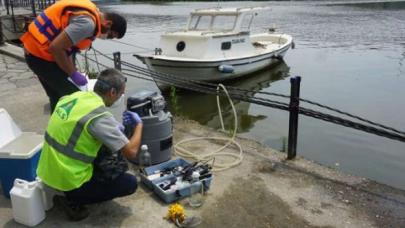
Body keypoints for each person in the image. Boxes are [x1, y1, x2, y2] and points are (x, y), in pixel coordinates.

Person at [36, 68, 142, 221]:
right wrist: (139, 126)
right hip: (68, 182)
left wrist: (113, 129)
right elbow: (131, 152)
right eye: (121, 93)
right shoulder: (98, 116)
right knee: (130, 183)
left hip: (47, 170)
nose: (120, 97)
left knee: (106, 146)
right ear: (112, 92)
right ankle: (72, 200)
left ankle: (68, 190)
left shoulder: (75, 96)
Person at [20, 0, 127, 112]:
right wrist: (72, 73)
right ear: (108, 24)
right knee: (76, 98)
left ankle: (57, 127)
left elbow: (67, 48)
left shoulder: (92, 12)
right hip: (41, 57)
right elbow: (56, 48)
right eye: (110, 35)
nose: (107, 38)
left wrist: (72, 71)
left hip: (33, 52)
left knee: (57, 97)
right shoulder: (87, 24)